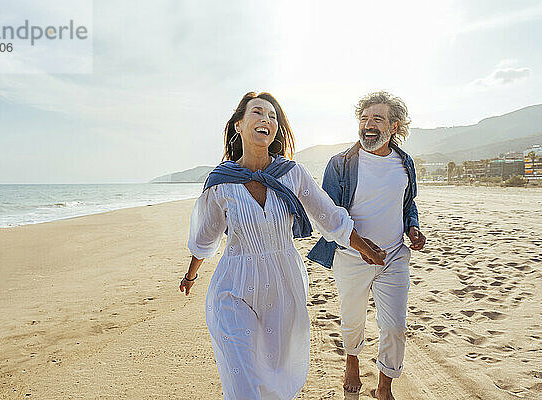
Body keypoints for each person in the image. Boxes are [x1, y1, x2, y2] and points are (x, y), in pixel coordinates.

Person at [180, 91, 386, 400]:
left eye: (273, 116)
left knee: (275, 377)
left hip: (282, 286)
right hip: (233, 287)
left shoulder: (292, 174)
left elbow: (328, 217)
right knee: (243, 384)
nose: (266, 119)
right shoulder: (220, 183)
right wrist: (191, 274)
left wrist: (361, 245)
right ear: (239, 125)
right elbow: (204, 239)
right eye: (258, 113)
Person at [308, 91, 426, 400]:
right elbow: (327, 216)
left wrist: (413, 226)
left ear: (394, 126)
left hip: (393, 256)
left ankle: (384, 389)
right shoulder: (340, 164)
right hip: (351, 257)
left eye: (377, 119)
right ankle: (352, 360)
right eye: (364, 119)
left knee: (395, 326)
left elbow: (407, 203)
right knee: (353, 319)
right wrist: (363, 248)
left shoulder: (404, 162)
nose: (368, 125)